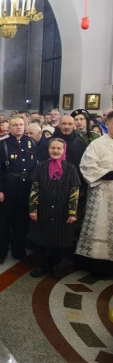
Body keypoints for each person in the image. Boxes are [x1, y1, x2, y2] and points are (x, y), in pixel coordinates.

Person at [27, 138, 80, 279]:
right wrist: (33, 209)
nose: (55, 151)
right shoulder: (41, 166)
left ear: (64, 150)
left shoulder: (71, 168)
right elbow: (34, 189)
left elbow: (74, 191)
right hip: (43, 209)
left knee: (58, 240)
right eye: (53, 148)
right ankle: (42, 266)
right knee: (42, 239)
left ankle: (55, 266)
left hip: (61, 211)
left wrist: (72, 212)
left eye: (59, 148)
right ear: (48, 149)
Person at [0, 116, 38, 264]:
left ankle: (19, 251)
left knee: (22, 222)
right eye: (15, 125)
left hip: (25, 187)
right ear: (9, 127)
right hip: (8, 188)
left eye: (21, 125)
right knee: (4, 221)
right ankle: (1, 252)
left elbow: (35, 166)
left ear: (25, 126)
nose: (18, 127)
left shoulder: (31, 143)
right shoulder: (1, 143)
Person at [76, 110, 113, 273]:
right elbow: (86, 166)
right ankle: (99, 266)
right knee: (101, 226)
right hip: (102, 194)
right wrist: (108, 173)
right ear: (107, 124)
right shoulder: (97, 143)